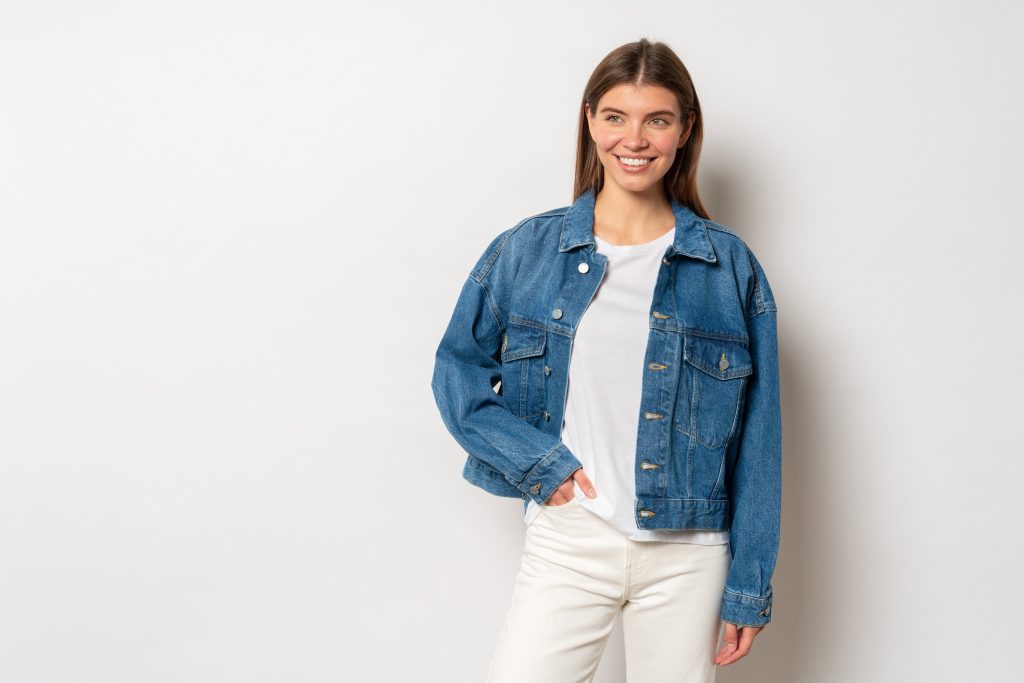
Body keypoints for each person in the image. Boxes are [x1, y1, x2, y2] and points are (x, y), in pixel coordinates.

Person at [431, 37, 781, 683]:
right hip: (572, 537)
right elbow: (458, 369)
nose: (635, 139)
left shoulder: (729, 269)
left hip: (689, 552)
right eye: (616, 116)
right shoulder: (528, 251)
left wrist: (748, 584)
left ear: (685, 129)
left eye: (658, 119)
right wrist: (541, 466)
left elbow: (760, 437)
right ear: (590, 120)